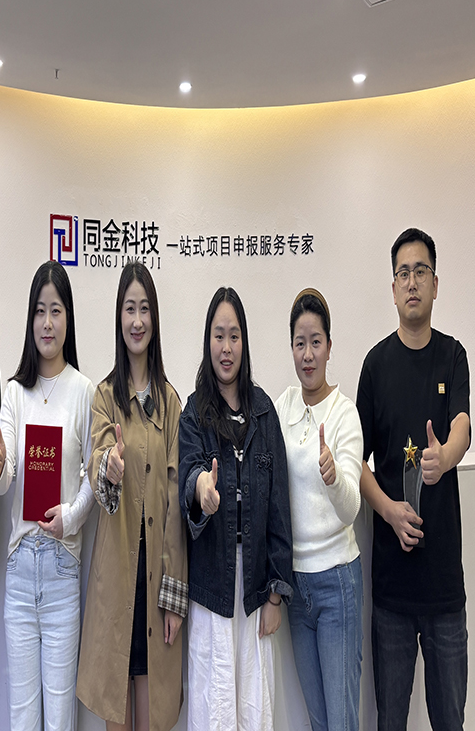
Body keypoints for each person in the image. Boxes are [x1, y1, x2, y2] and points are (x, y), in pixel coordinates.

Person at [357, 228, 471, 731]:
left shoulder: (453, 355)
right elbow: (355, 461)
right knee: (391, 722)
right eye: (402, 273)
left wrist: (444, 457)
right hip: (392, 592)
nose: (411, 282)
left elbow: (463, 424)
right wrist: (388, 510)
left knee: (450, 720)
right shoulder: (376, 365)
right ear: (393, 286)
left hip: (444, 586)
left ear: (435, 283)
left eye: (420, 271)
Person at [77, 262, 188, 731]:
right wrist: (110, 466)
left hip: (156, 584)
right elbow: (99, 456)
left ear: (154, 318)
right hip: (117, 583)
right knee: (116, 716)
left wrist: (174, 596)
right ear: (118, 318)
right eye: (129, 309)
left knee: (153, 714)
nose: (137, 320)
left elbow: (177, 502)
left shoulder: (172, 402)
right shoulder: (104, 396)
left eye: (144, 309)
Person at [0, 261, 95, 731]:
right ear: (29, 320)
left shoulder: (84, 391)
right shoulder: (15, 393)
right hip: (19, 567)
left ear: (68, 318)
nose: (47, 323)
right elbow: (6, 474)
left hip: (61, 567)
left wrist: (70, 517)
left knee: (60, 716)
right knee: (23, 715)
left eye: (56, 311)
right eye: (39, 311)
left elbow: (94, 479)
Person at [179, 286, 293, 731]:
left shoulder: (264, 412)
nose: (226, 348)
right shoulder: (194, 412)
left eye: (234, 336)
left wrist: (276, 594)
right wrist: (202, 490)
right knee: (215, 706)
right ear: (207, 342)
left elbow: (279, 507)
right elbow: (189, 473)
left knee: (253, 707)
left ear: (244, 342)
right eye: (218, 336)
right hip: (212, 586)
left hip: (255, 589)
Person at [275, 288, 364, 731]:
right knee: (317, 720)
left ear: (329, 346)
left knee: (342, 721)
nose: (307, 354)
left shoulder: (345, 414)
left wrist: (333, 477)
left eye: (315, 342)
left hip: (336, 583)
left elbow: (351, 509)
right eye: (299, 343)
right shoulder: (283, 406)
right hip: (296, 586)